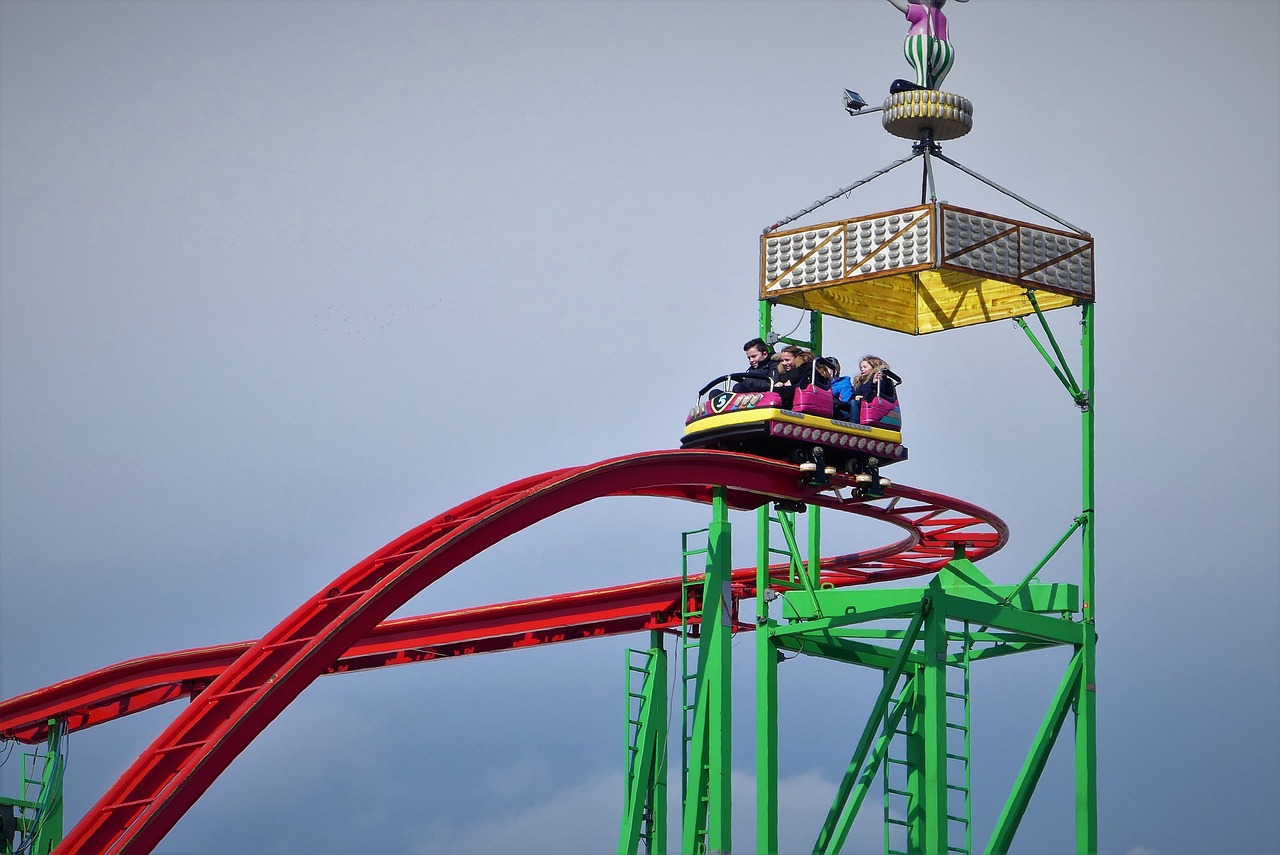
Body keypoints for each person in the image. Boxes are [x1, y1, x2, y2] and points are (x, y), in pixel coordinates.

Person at [883, 0, 968, 91]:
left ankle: (924, 84)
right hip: (943, 47)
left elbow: (905, 8)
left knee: (924, 63)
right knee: (931, 68)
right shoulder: (938, 15)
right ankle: (931, 88)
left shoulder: (925, 11)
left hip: (929, 42)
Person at [849, 355, 902, 422]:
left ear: (874, 367)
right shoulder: (860, 382)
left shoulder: (881, 380)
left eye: (865, 367)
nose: (862, 369)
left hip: (871, 407)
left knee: (854, 403)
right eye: (861, 368)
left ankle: (854, 424)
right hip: (859, 407)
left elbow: (877, 395)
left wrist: (875, 383)